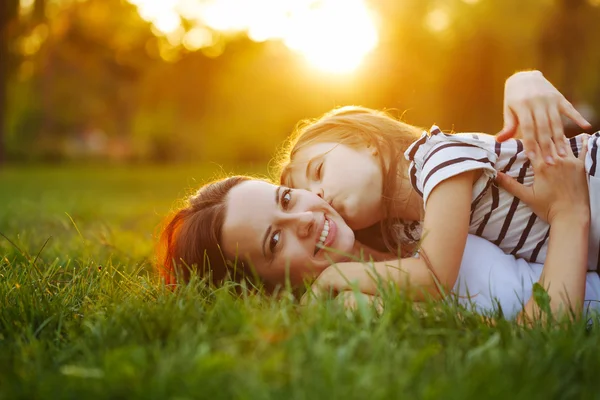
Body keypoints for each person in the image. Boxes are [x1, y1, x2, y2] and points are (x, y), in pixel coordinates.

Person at [156, 134, 592, 321]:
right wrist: (570, 215)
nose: (305, 218)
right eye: (275, 239)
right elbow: (538, 333)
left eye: (285, 198)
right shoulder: (361, 304)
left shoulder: (398, 224)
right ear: (267, 289)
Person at [278, 73, 599, 299]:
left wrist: (333, 278)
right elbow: (377, 266)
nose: (319, 196)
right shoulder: (405, 228)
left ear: (367, 142)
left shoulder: (439, 158)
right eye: (310, 193)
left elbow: (434, 277)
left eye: (318, 170)